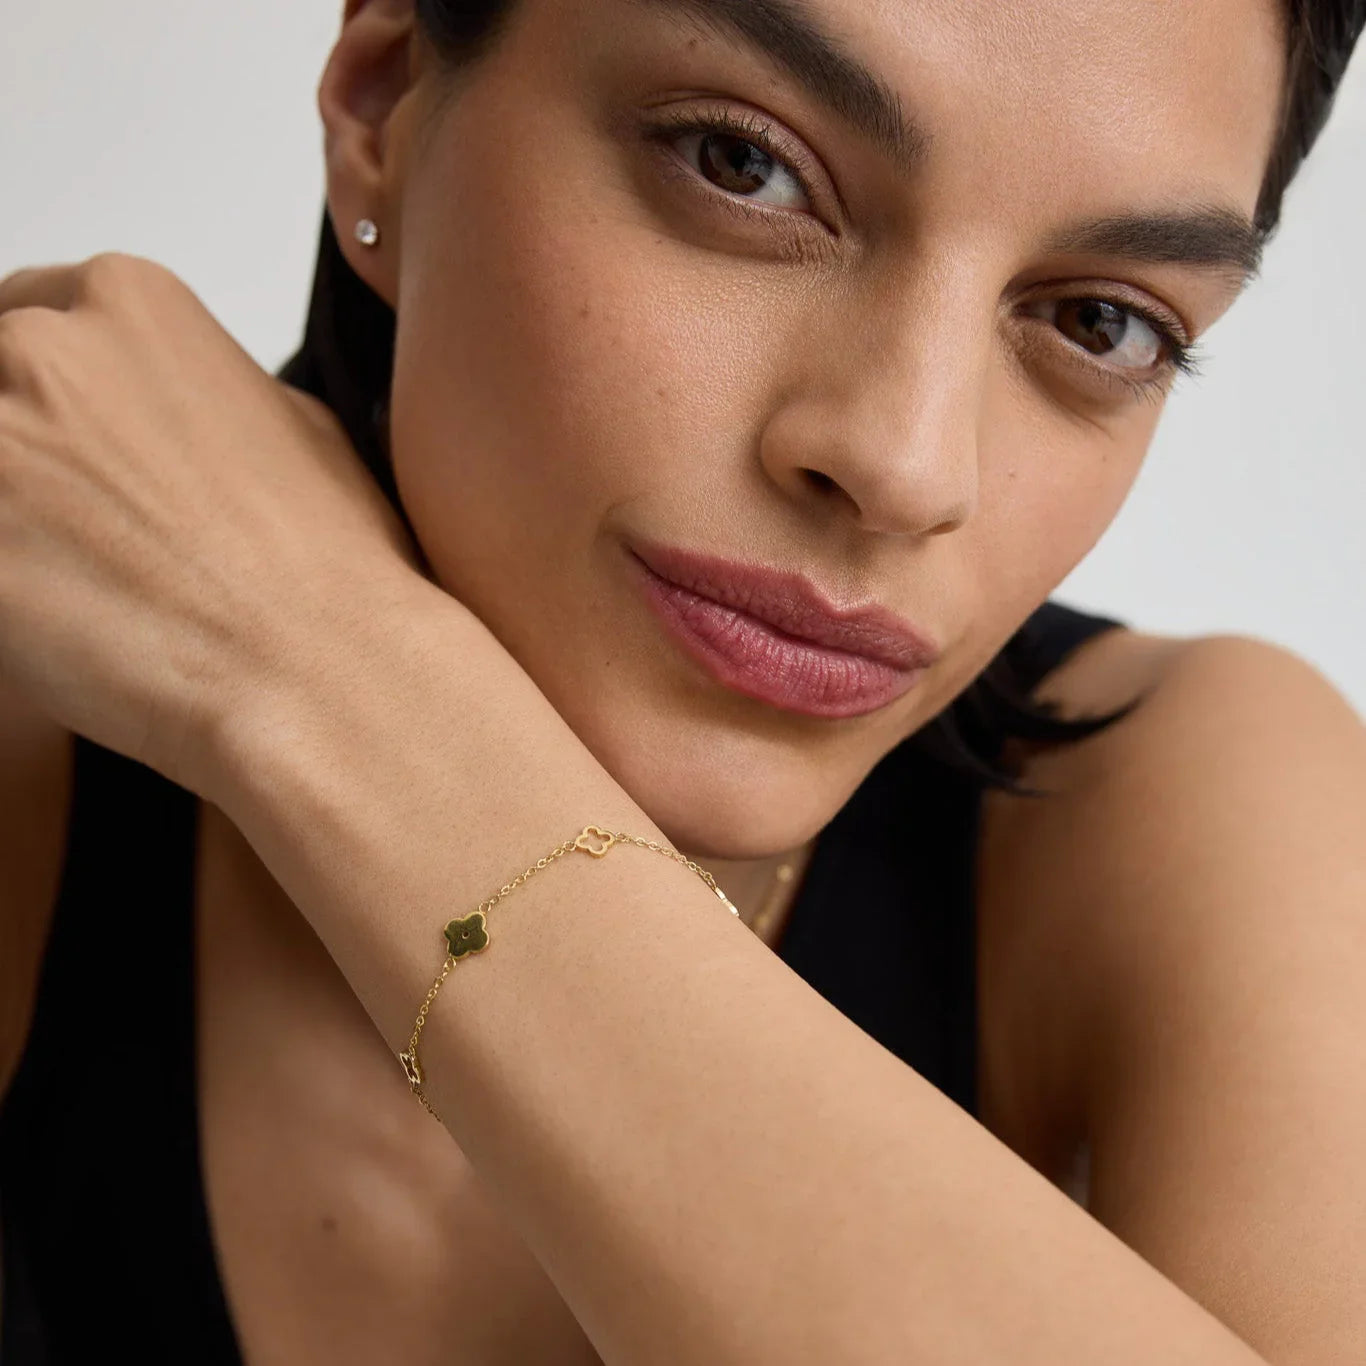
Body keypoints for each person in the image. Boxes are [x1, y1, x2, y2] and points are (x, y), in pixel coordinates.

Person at [1, 0, 1363, 1361]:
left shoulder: (1177, 798)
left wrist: (312, 667)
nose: (904, 464)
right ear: (385, 100)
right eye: (742, 165)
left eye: (1099, 320)